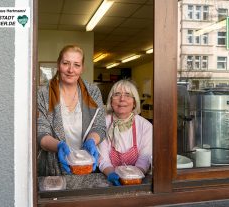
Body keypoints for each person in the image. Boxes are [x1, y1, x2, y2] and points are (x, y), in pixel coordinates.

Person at [37, 44, 106, 176]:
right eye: (66, 63)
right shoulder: (43, 93)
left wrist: (92, 140)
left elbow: (99, 126)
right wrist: (58, 146)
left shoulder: (92, 92)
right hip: (54, 168)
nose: (71, 70)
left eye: (76, 65)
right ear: (58, 65)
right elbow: (40, 132)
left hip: (86, 165)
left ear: (82, 68)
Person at [98, 79, 152, 186]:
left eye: (128, 95)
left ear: (134, 102)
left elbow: (144, 159)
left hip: (137, 181)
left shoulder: (145, 126)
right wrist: (111, 174)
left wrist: (131, 179)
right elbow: (102, 159)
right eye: (117, 94)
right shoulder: (102, 124)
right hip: (109, 179)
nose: (122, 99)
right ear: (111, 101)